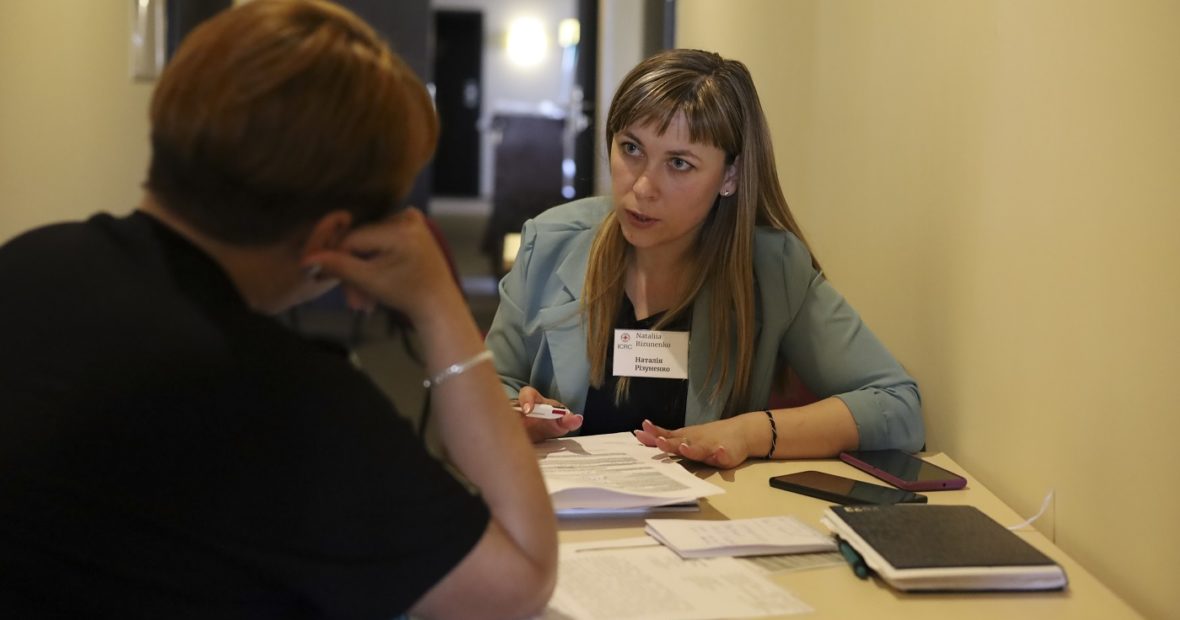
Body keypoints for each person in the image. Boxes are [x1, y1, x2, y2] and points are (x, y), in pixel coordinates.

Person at [0, 1, 556, 618]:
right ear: (336, 234)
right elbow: (521, 579)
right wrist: (437, 303)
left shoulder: (26, 262)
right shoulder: (289, 400)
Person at [486, 49, 924, 469]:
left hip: (699, 526)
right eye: (631, 149)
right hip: (568, 519)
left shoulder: (772, 269)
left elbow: (897, 405)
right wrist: (517, 414)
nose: (642, 187)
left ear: (729, 176)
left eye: (678, 163)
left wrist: (752, 432)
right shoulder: (549, 243)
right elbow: (487, 391)